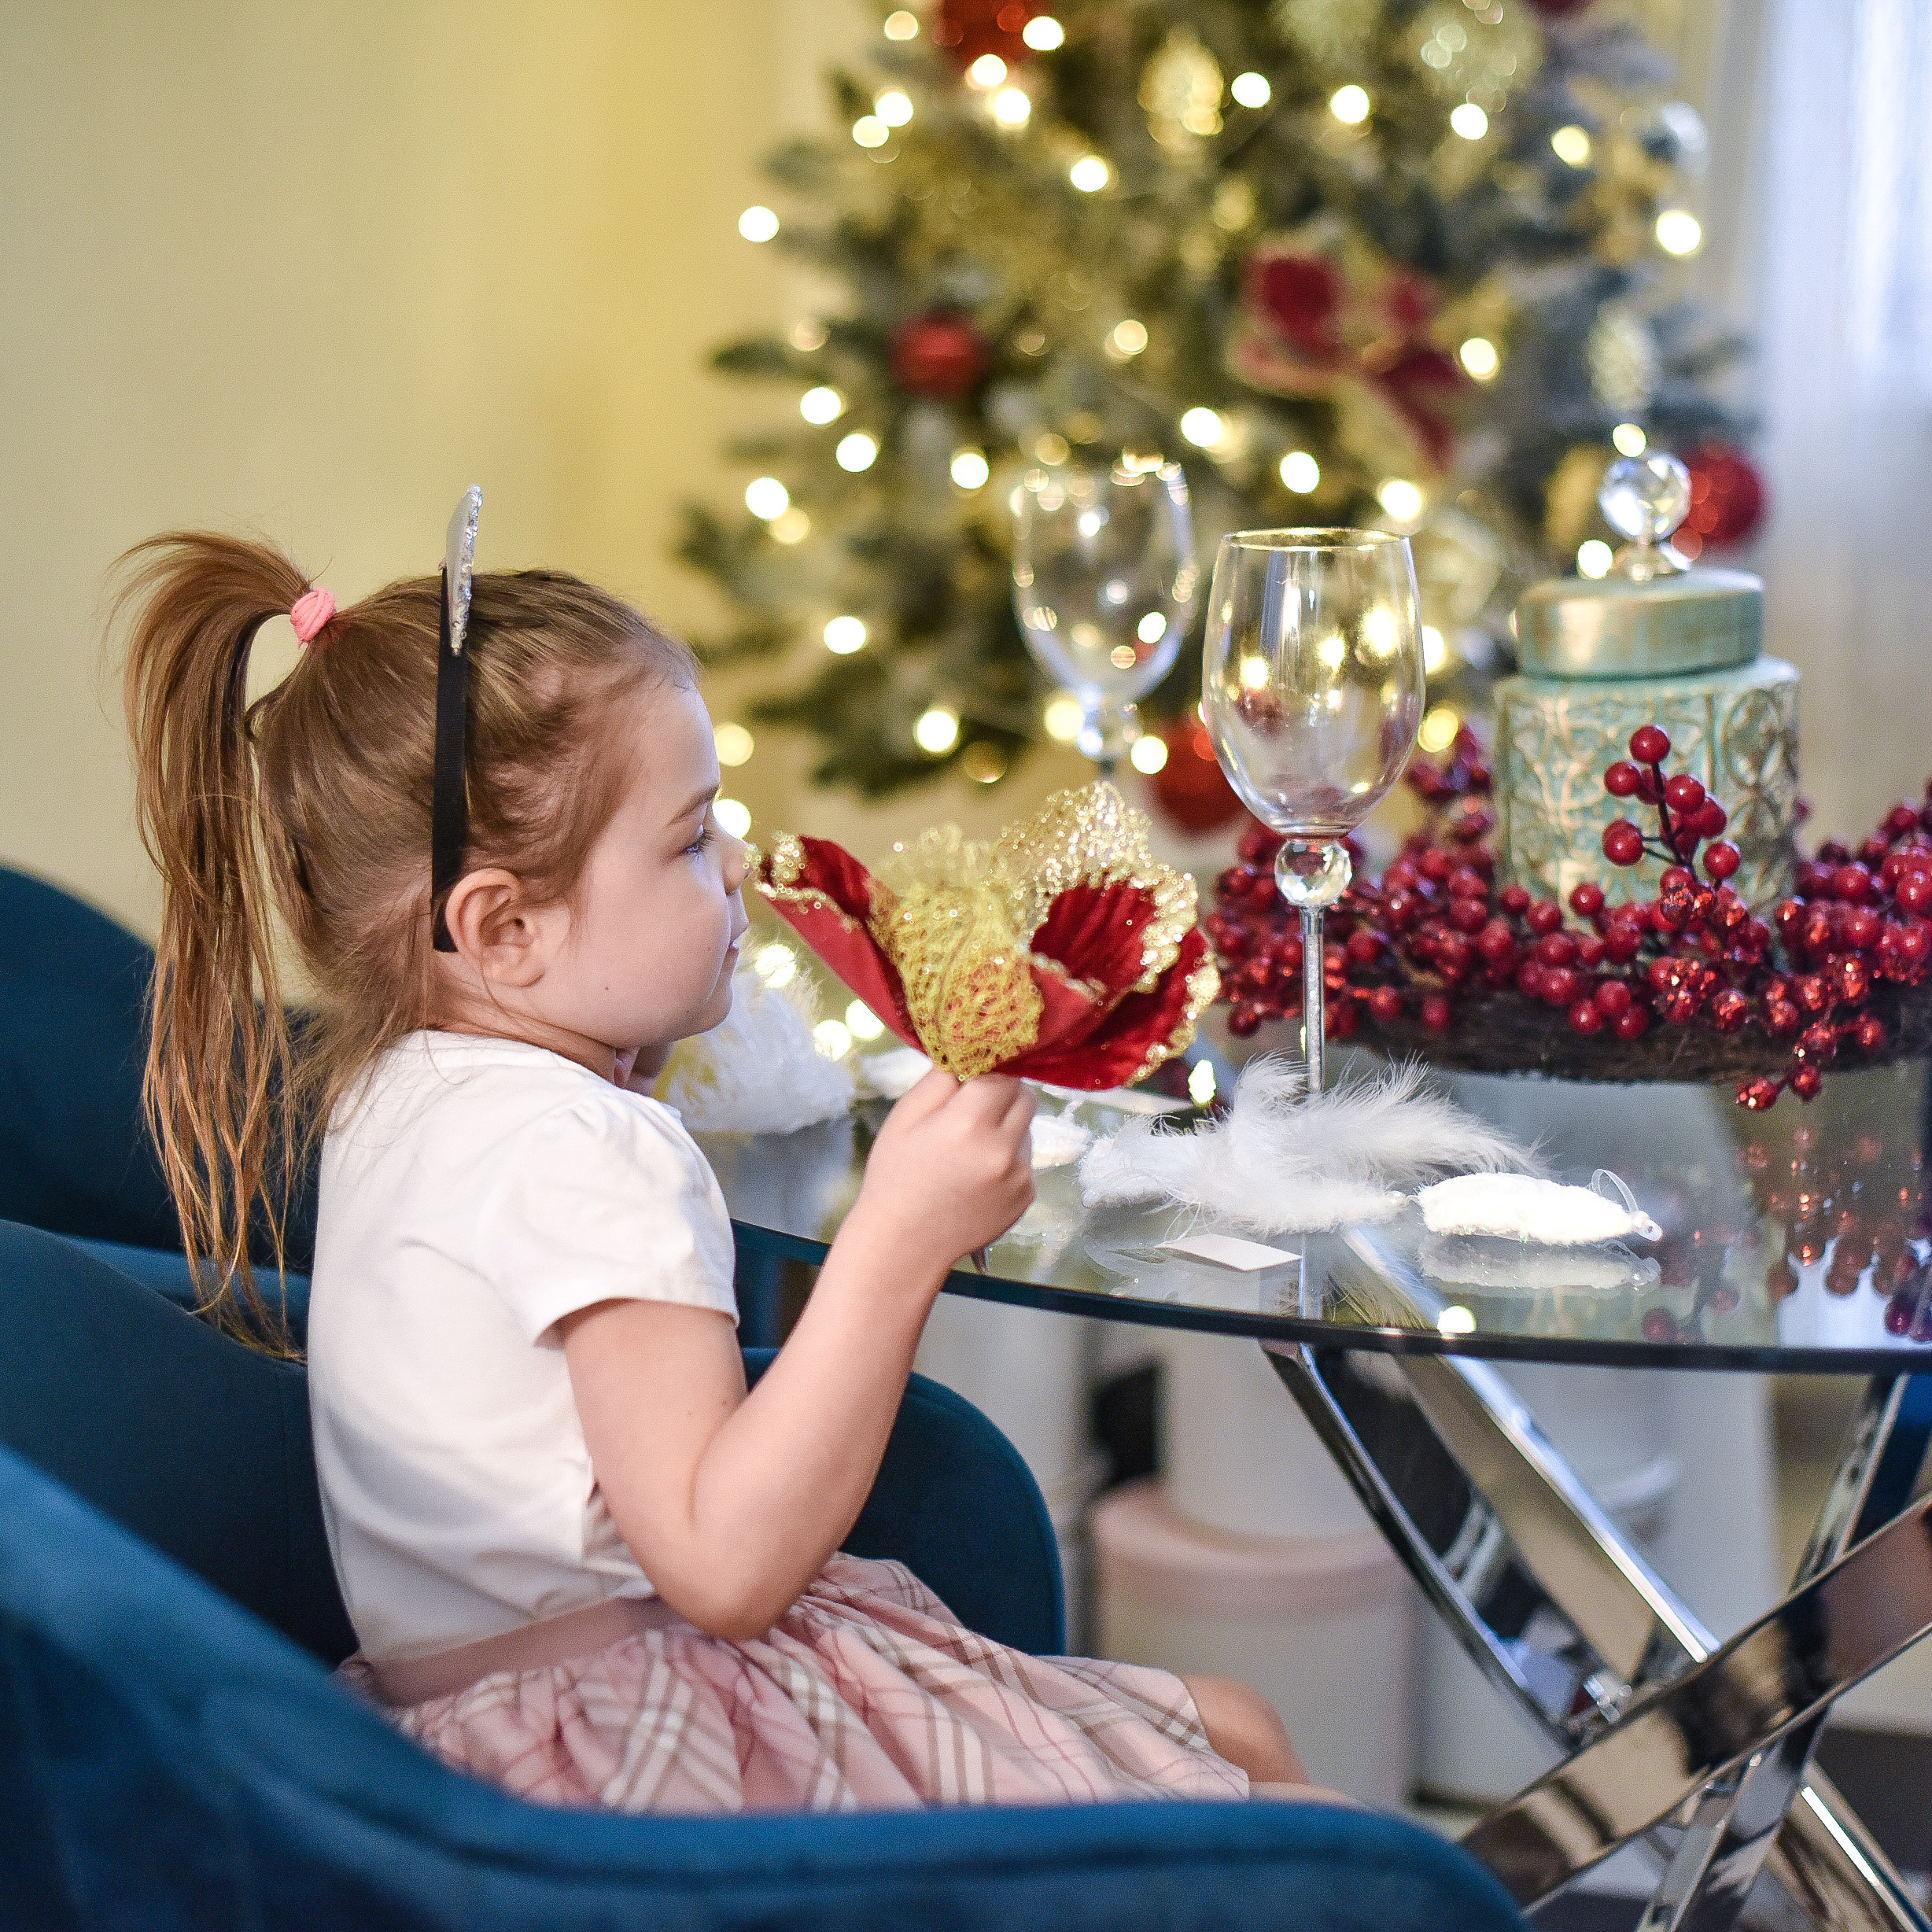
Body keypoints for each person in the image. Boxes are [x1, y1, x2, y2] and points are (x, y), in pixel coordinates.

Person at [119, 524, 1312, 1813]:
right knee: (1249, 1775)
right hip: (647, 1746)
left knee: (1227, 1726)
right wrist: (898, 1241)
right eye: (692, 840)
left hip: (484, 1732)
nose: (740, 867)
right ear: (504, 930)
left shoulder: (399, 1096)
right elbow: (724, 1565)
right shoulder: (584, 1148)